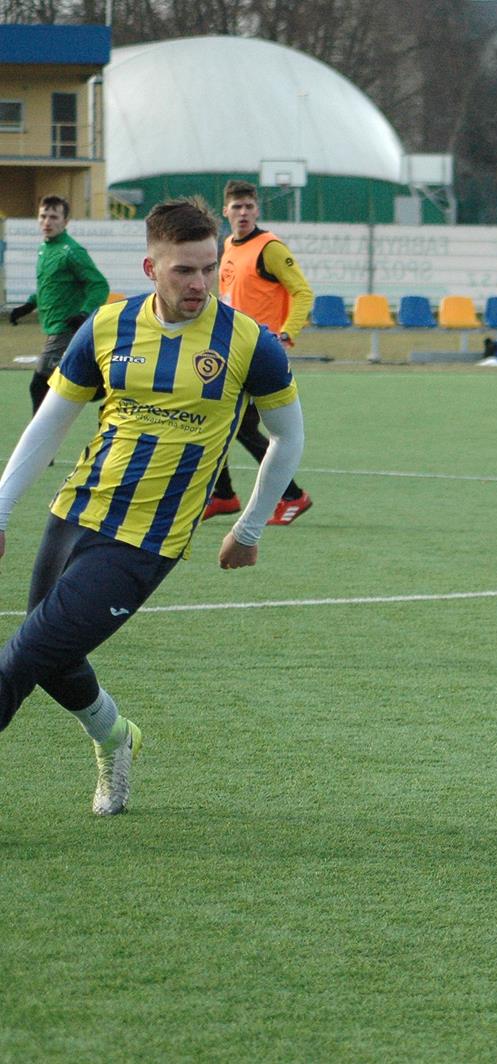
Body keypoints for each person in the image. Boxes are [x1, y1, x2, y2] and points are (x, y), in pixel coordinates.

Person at [0, 196, 305, 816]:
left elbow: (288, 436)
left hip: (147, 540)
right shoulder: (108, 327)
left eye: (207, 268)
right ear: (150, 269)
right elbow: (48, 426)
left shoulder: (248, 342)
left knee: (23, 656)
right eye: (182, 271)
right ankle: (116, 737)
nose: (198, 283)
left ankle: (113, 739)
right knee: (53, 658)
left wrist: (248, 529)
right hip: (76, 511)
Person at [204, 179, 314, 526]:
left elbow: (303, 293)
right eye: (237, 207)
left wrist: (285, 335)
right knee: (221, 421)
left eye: (249, 206)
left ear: (257, 210)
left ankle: (292, 495)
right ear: (226, 211)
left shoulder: (270, 248)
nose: (243, 213)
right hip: (232, 349)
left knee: (238, 426)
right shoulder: (228, 246)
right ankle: (223, 495)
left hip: (259, 351)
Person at [8, 195, 109, 415]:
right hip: (54, 326)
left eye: (54, 217)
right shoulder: (45, 249)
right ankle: (106, 383)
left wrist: (84, 313)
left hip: (66, 327)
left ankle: (38, 439)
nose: (47, 222)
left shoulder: (70, 251)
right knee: (62, 378)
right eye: (43, 216)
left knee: (39, 385)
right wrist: (27, 306)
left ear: (65, 222)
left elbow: (99, 285)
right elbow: (49, 286)